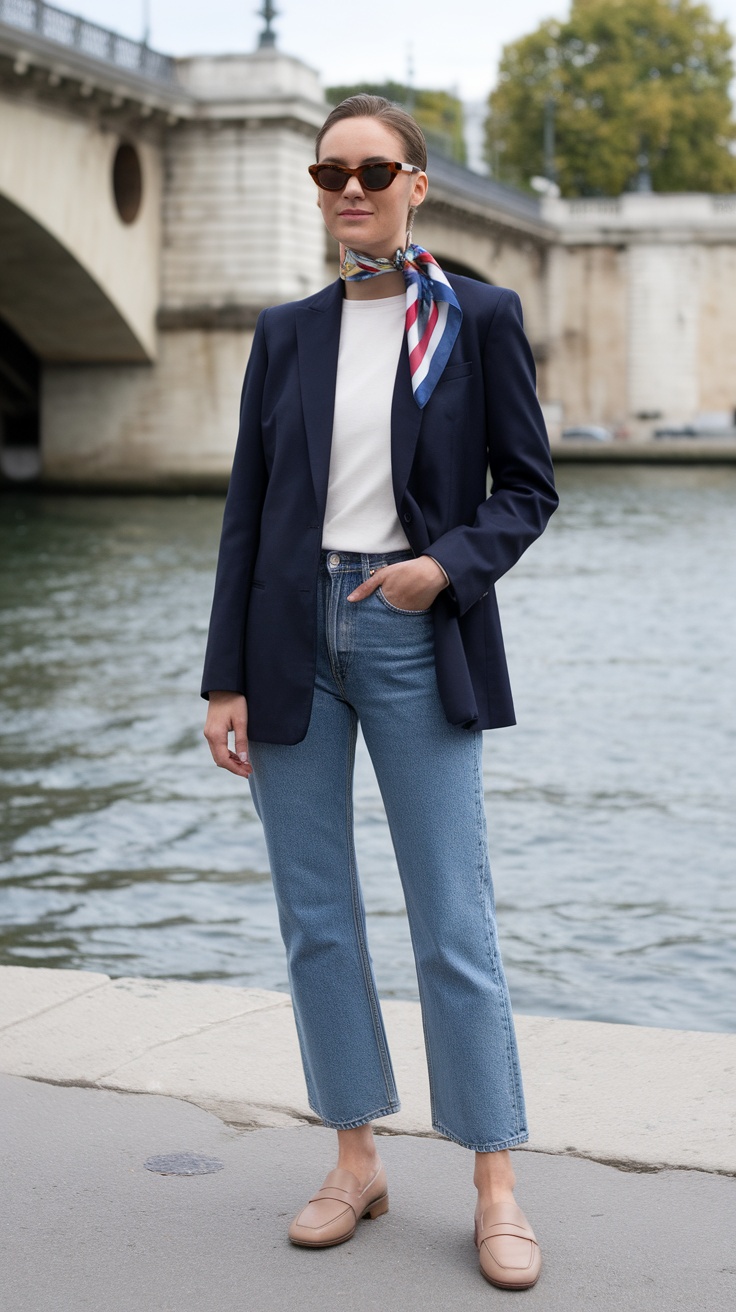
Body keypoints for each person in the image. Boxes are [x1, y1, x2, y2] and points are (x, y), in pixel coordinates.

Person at [201, 94, 558, 1291]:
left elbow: (526, 490)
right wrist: (223, 679)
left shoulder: (479, 318)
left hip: (413, 629)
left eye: (371, 168)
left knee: (452, 919)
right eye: (327, 171)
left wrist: (439, 569)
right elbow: (247, 512)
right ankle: (353, 1157)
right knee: (317, 917)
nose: (347, 188)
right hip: (288, 633)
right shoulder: (286, 332)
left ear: (417, 183)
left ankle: (494, 1180)